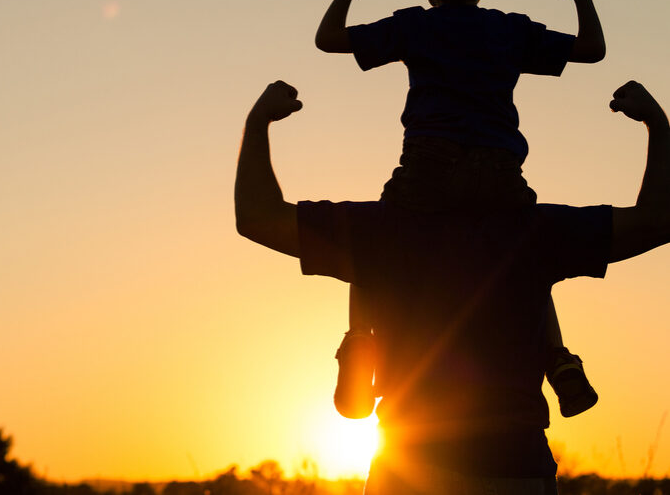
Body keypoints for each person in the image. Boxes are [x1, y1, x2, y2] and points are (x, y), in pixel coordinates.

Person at [235, 79, 670, 494]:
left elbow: (257, 216)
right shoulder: (536, 230)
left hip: (411, 466)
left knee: (360, 264)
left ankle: (358, 343)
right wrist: (656, 124)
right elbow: (656, 221)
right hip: (517, 466)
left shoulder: (381, 229)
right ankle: (559, 360)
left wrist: (259, 122)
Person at [314, 0, 606, 418]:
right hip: (499, 171)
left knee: (370, 245)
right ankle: (557, 357)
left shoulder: (415, 25)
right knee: (528, 262)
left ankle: (361, 341)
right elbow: (591, 50)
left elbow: (329, 38)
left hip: (428, 165)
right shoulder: (509, 31)